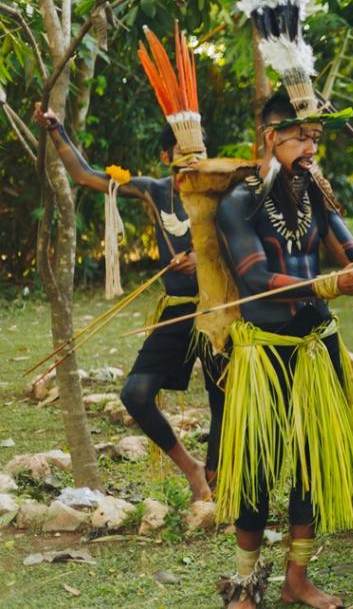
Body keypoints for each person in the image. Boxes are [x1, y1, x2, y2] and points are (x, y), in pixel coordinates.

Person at [213, 92, 353, 609]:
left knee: (313, 461)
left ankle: (297, 579)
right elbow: (256, 278)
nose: (311, 148)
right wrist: (330, 285)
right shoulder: (238, 202)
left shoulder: (316, 197)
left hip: (317, 346)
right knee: (256, 467)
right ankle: (244, 586)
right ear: (271, 137)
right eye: (301, 137)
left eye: (316, 138)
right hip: (265, 351)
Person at [33, 104, 225, 504]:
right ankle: (192, 469)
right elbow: (86, 176)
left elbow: (246, 246)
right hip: (177, 308)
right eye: (184, 152)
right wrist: (56, 130)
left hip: (220, 310)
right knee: (136, 394)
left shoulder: (224, 192)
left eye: (200, 151)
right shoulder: (155, 190)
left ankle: (217, 478)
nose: (194, 160)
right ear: (166, 156)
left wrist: (203, 257)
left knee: (222, 395)